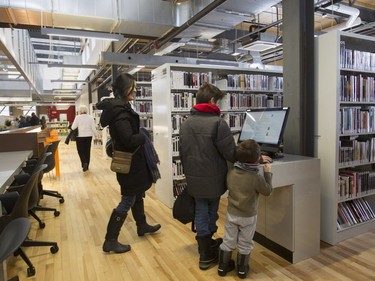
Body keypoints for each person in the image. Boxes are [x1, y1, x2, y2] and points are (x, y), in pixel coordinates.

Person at [96, 73, 161, 254]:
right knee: (128, 199)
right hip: (130, 164)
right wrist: (144, 134)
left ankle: (141, 225)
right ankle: (110, 240)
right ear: (124, 89)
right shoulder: (120, 112)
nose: (135, 89)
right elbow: (128, 139)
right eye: (132, 86)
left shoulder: (119, 108)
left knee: (137, 194)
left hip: (133, 162)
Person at [179, 83, 236, 270]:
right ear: (212, 101)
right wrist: (253, 155)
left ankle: (204, 249)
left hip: (193, 176)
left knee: (200, 210)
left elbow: (182, 152)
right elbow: (230, 152)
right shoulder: (218, 123)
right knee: (211, 211)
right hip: (213, 177)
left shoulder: (186, 123)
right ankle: (206, 251)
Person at [218, 140, 273, 279]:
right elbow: (267, 191)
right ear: (257, 159)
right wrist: (268, 173)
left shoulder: (231, 173)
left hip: (232, 214)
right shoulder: (256, 177)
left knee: (228, 240)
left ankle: (222, 267)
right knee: (245, 243)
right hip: (248, 217)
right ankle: (242, 269)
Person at [71, 105, 96, 172]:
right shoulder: (90, 117)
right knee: (87, 151)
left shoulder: (77, 117)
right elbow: (93, 127)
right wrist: (96, 135)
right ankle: (87, 165)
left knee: (80, 151)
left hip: (80, 137)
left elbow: (73, 127)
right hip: (88, 136)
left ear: (80, 111)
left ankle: (84, 163)